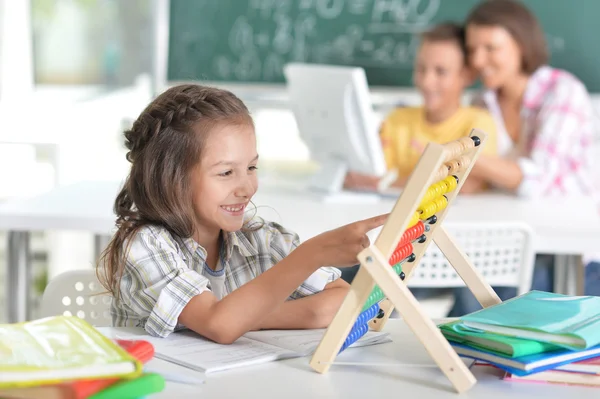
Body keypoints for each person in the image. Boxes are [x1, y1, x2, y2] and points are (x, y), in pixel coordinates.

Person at [97, 84, 388, 342]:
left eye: (251, 167)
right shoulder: (144, 245)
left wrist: (251, 318)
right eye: (226, 172)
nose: (247, 187)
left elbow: (341, 301)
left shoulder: (261, 239)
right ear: (170, 178)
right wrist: (311, 254)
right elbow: (219, 324)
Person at [449, 0, 599, 315]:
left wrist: (455, 149)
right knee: (458, 284)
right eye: (472, 49)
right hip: (511, 240)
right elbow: (475, 182)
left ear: (521, 44)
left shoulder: (562, 91)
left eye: (491, 48)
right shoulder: (482, 101)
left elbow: (536, 179)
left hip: (570, 251)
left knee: (484, 303)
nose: (478, 60)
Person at [344, 22, 498, 193]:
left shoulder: (479, 124)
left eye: (440, 71)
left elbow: (466, 185)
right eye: (421, 69)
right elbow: (368, 175)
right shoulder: (397, 120)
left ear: (466, 75)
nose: (426, 82)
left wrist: (386, 184)